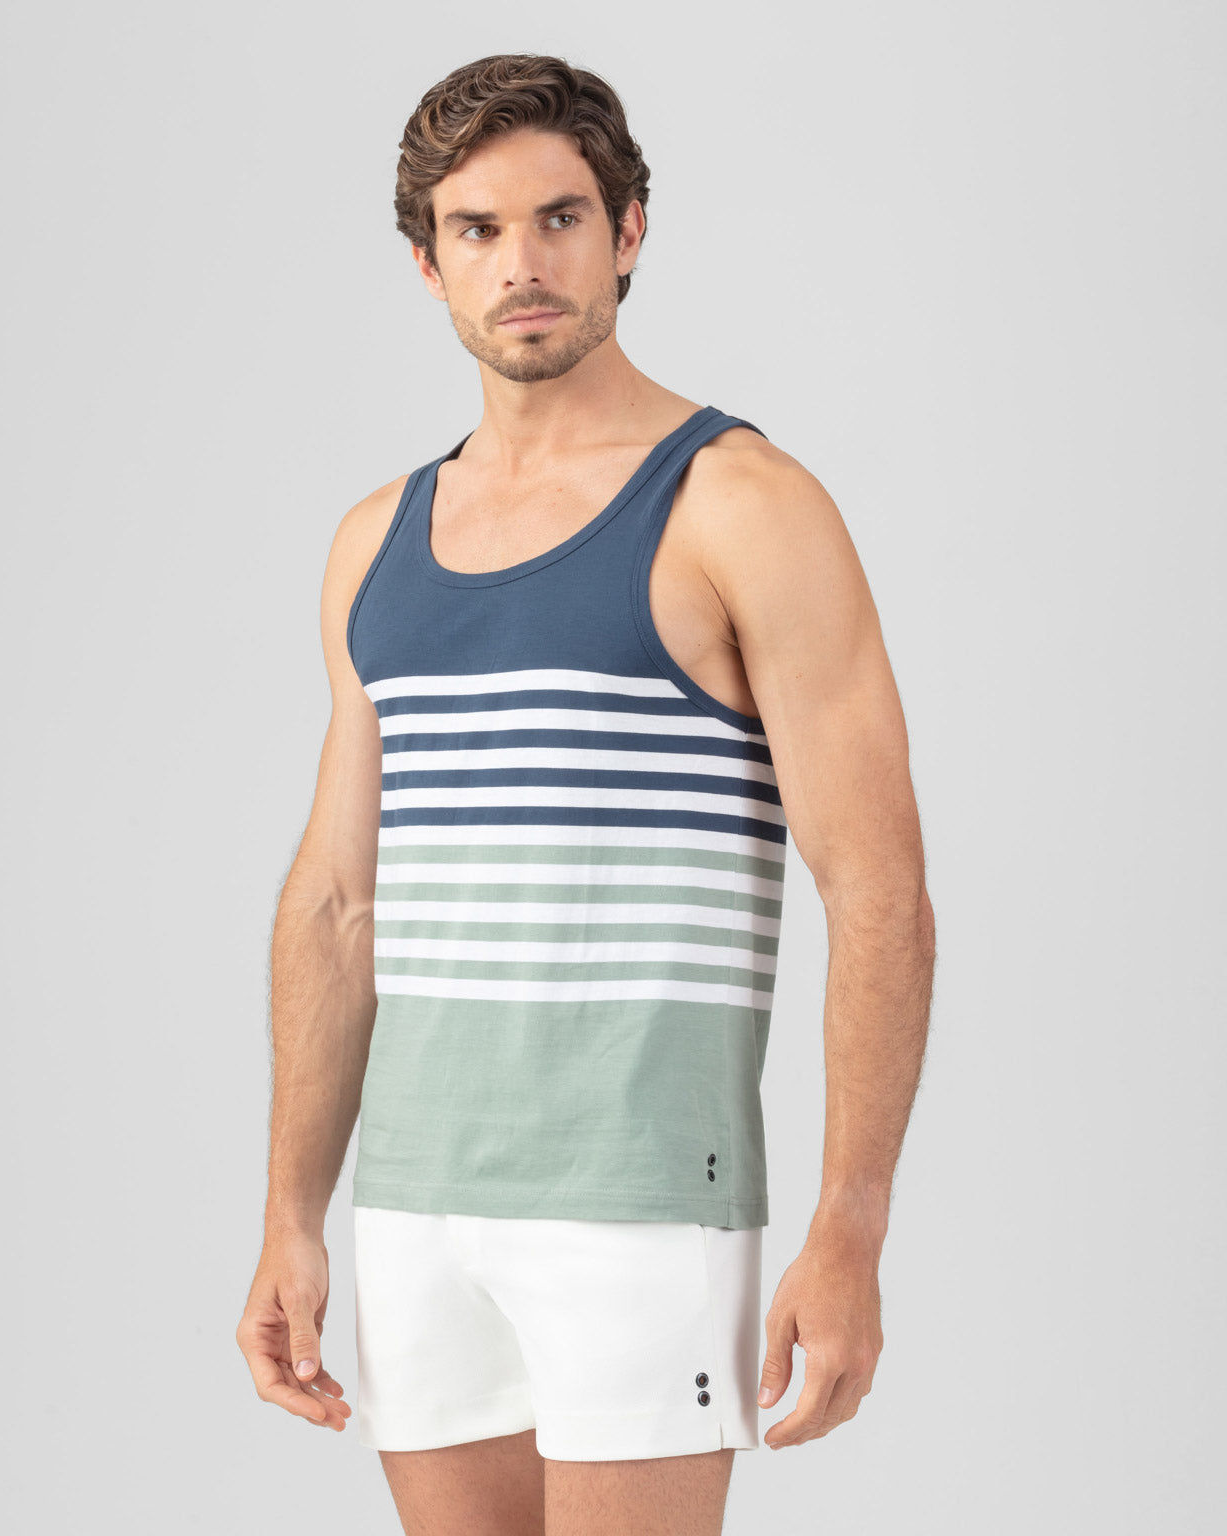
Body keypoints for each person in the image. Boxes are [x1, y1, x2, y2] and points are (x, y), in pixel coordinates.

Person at [237, 52, 935, 1536]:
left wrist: (850, 1227)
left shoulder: (739, 504)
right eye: (478, 230)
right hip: (418, 1207)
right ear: (427, 262)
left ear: (628, 232)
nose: (524, 265)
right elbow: (337, 903)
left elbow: (876, 886)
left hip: (643, 1204)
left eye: (560, 218)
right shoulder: (377, 541)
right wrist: (292, 1212)